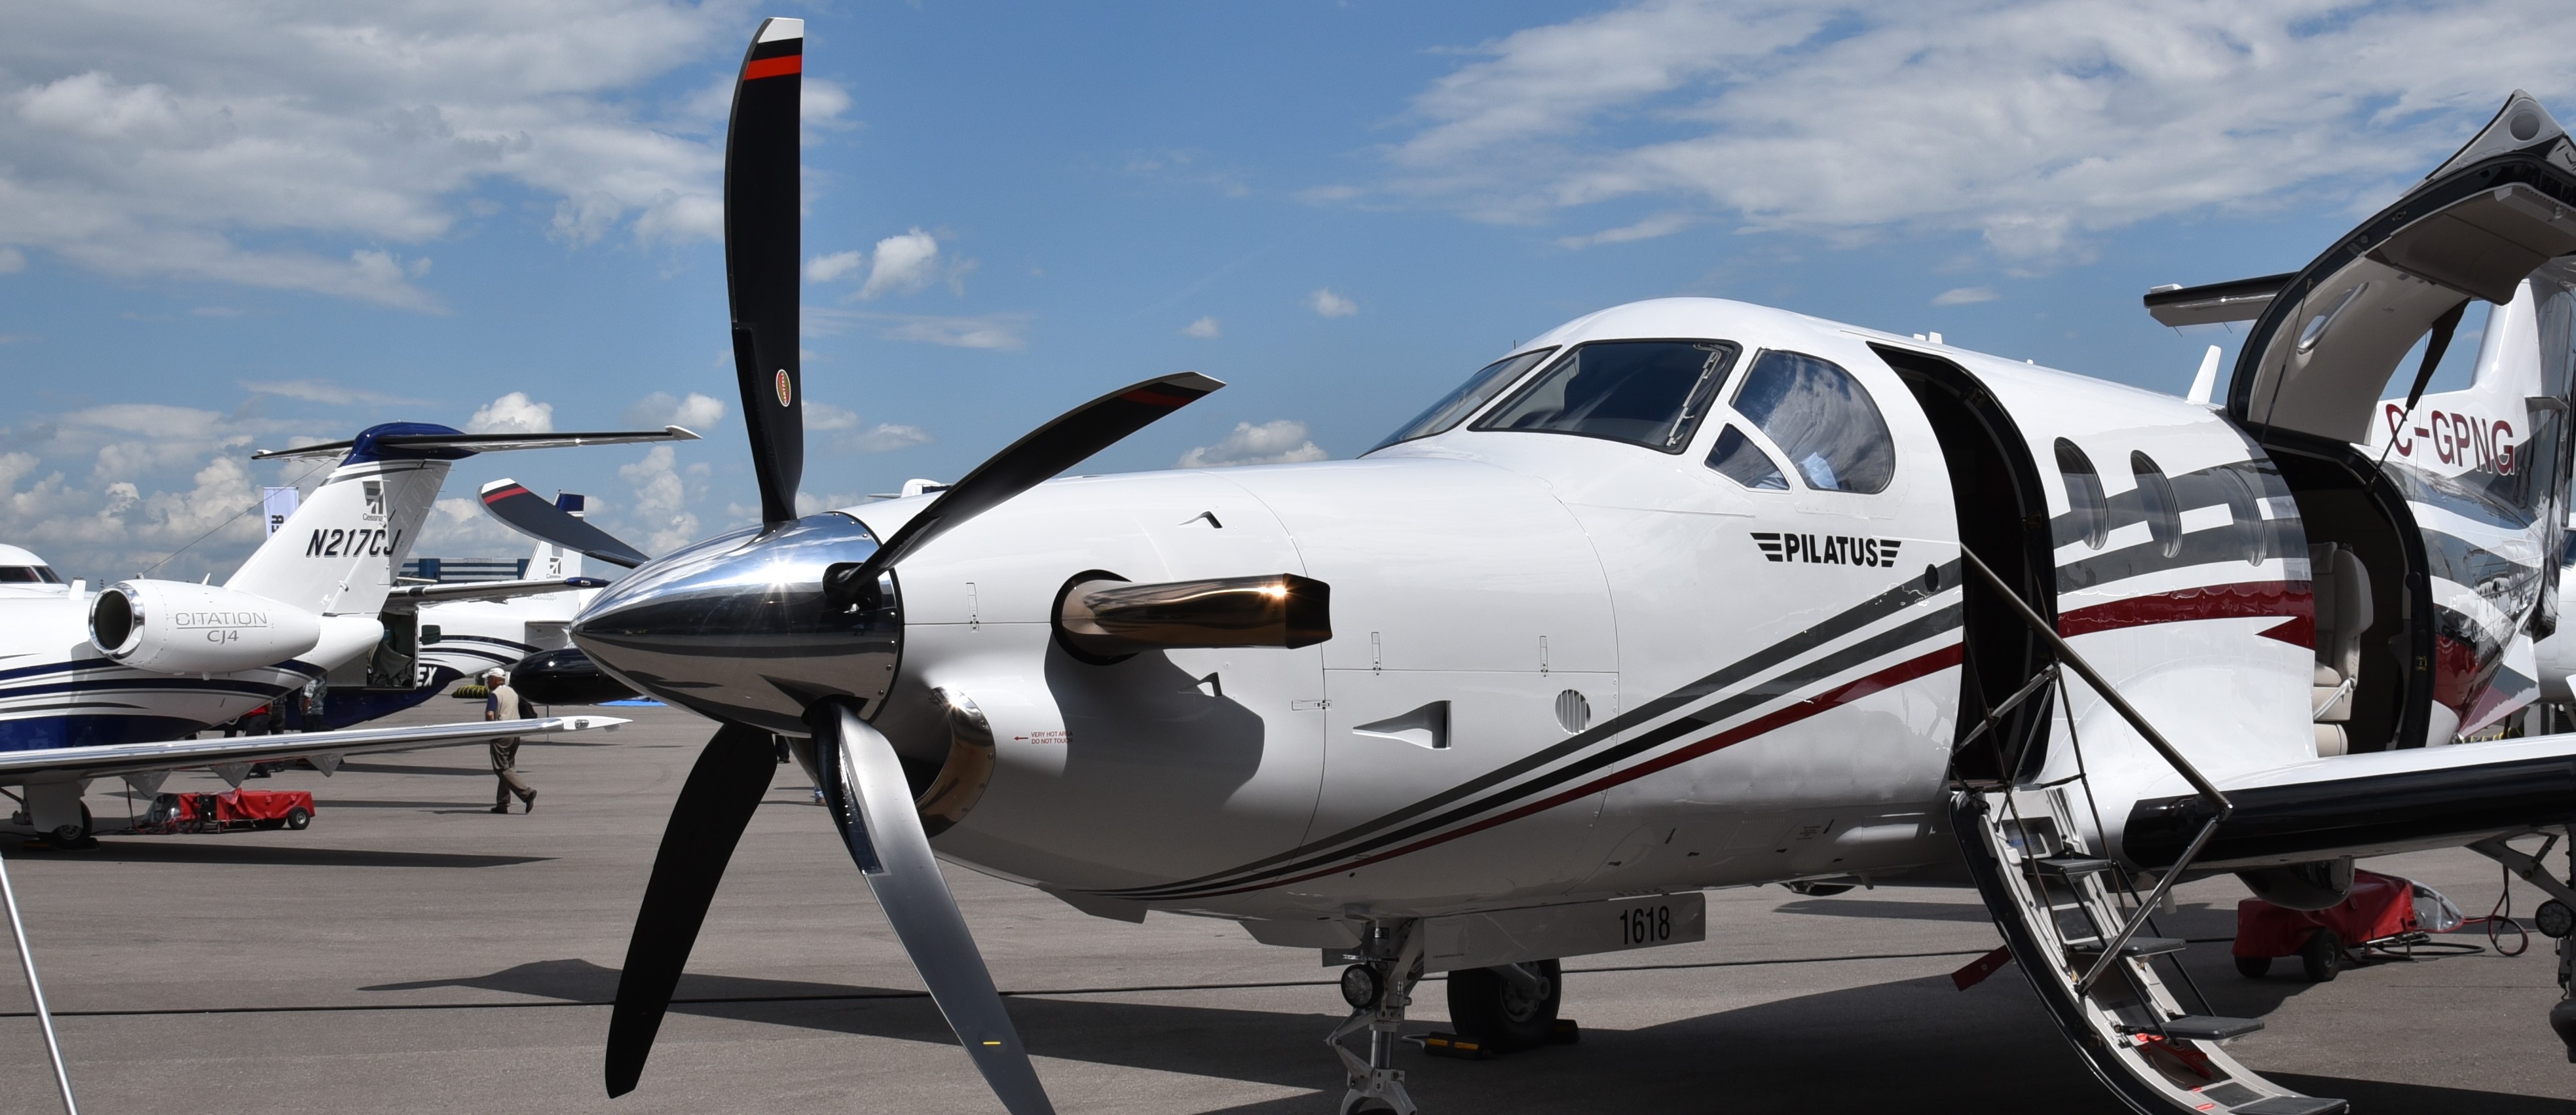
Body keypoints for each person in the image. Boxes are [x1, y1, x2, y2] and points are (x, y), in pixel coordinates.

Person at [483, 670, 537, 814]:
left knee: (501, 769)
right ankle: (502, 803)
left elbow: (490, 713)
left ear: (496, 679)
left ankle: (527, 793)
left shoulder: (495, 695)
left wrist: (490, 728)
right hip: (515, 734)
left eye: (489, 679)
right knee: (508, 769)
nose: (487, 682)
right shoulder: (513, 692)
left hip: (501, 734)